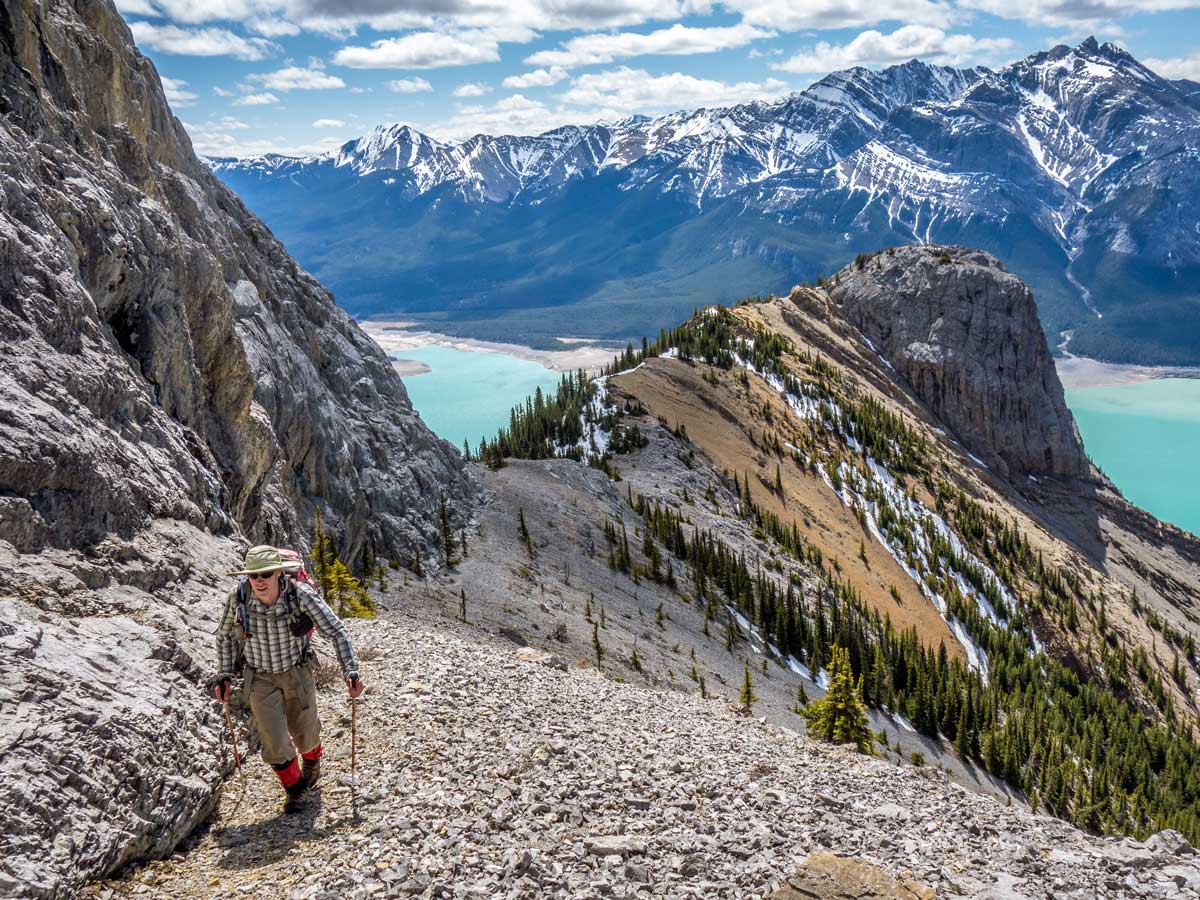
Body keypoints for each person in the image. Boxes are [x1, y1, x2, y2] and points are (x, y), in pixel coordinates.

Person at [211, 545, 365, 813]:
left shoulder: (300, 594)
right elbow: (224, 636)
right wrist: (224, 674)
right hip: (258, 677)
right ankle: (295, 791)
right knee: (274, 738)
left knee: (305, 731)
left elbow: (336, 631)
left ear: (279, 573)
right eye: (253, 575)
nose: (259, 581)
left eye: (266, 574)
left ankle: (312, 763)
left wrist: (350, 670)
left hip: (296, 670)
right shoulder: (238, 597)